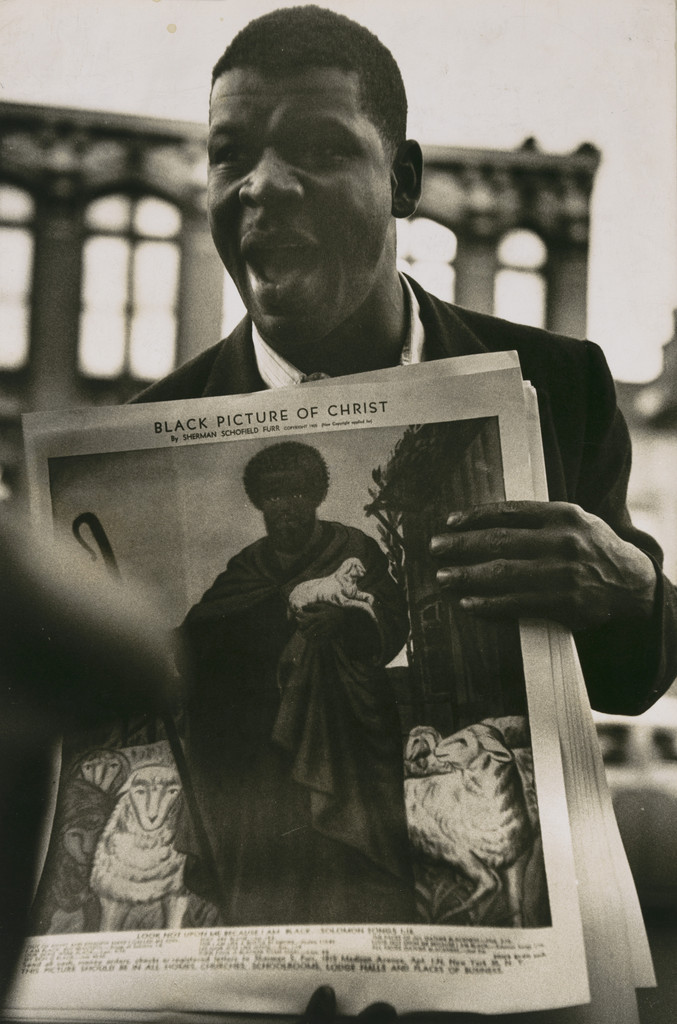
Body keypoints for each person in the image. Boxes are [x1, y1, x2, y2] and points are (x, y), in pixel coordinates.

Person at [133, 4, 677, 721]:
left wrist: (632, 594)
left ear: (402, 181)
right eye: (228, 155)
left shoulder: (558, 383)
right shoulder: (144, 437)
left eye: (320, 150)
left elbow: (622, 683)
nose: (261, 184)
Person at [177, 441, 414, 925]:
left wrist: (347, 625)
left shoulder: (352, 549)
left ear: (317, 497)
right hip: (264, 736)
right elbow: (202, 634)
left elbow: (392, 618)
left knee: (335, 850)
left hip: (341, 723)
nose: (285, 507)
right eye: (273, 496)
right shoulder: (248, 567)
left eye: (297, 494)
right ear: (260, 503)